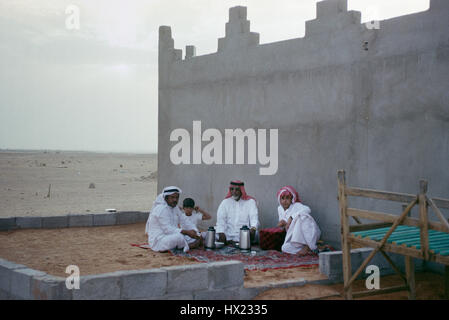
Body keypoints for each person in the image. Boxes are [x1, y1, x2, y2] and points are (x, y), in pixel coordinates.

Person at [145, 186, 201, 252]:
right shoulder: (161, 209)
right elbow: (167, 229)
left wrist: (196, 232)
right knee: (179, 237)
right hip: (159, 241)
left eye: (177, 197)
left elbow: (185, 221)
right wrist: (187, 232)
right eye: (172, 197)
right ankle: (189, 245)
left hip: (172, 235)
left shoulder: (175, 208)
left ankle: (186, 244)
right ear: (166, 198)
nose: (175, 200)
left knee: (195, 236)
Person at [276, 186, 321, 255]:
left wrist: (291, 217)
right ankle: (307, 250)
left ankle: (308, 245)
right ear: (279, 200)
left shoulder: (296, 205)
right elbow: (285, 224)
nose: (285, 201)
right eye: (282, 198)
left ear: (292, 199)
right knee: (284, 248)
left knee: (302, 216)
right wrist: (283, 223)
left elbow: (308, 209)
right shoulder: (280, 209)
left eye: (287, 198)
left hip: (307, 234)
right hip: (294, 238)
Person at [216, 180, 259, 244]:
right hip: (228, 234)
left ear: (241, 191)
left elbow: (254, 218)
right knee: (212, 233)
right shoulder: (225, 202)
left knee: (258, 235)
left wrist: (253, 229)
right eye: (232, 189)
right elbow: (220, 219)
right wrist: (221, 232)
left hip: (244, 234)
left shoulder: (250, 202)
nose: (234, 192)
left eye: (237, 190)